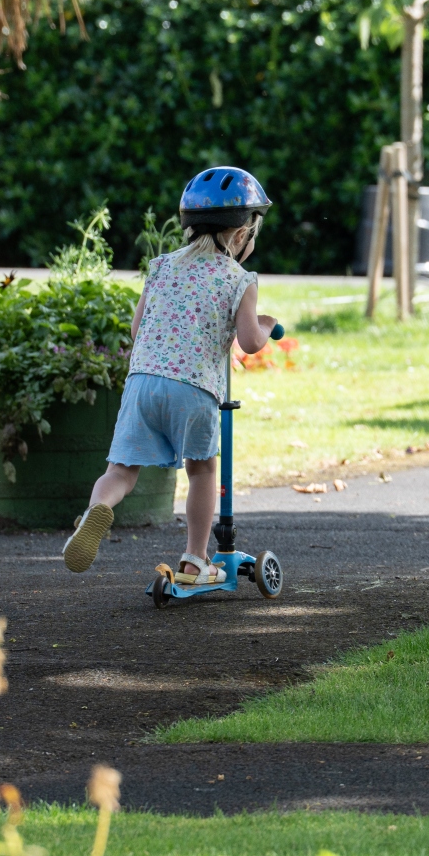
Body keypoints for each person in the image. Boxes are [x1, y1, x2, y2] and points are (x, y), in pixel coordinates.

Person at [62, 166, 278, 579]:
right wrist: (265, 324)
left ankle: (97, 511)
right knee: (201, 470)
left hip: (142, 382)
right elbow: (250, 342)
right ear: (240, 235)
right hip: (194, 390)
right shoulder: (239, 278)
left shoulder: (161, 266)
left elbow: (137, 327)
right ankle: (196, 557)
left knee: (121, 471)